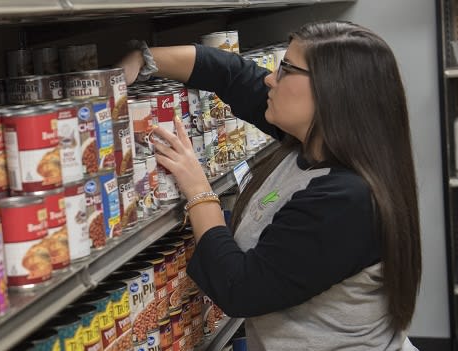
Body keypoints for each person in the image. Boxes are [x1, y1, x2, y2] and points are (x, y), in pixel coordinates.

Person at [118, 21, 421, 350]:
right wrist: (142, 58)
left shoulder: (347, 200)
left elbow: (239, 289)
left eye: (286, 70)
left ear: (332, 89)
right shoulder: (316, 141)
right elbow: (233, 74)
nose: (269, 79)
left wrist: (199, 191)